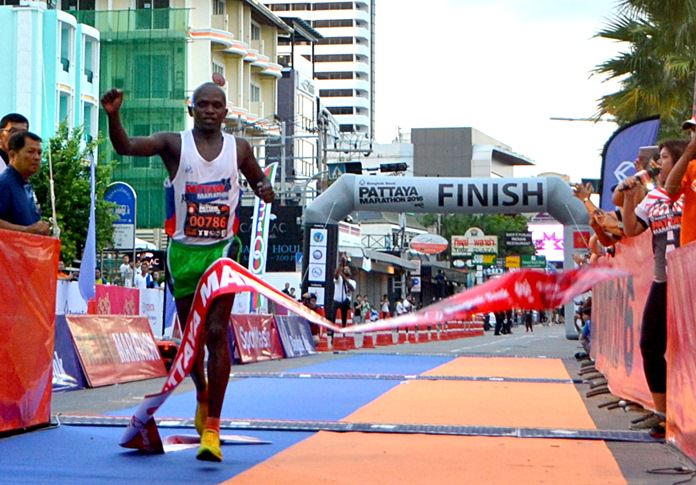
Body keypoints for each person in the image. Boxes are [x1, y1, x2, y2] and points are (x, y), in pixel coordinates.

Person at [101, 82, 274, 463]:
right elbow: (126, 147)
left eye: (217, 105)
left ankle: (212, 425)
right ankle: (201, 392)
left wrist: (264, 188)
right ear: (191, 109)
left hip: (222, 252)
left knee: (216, 331)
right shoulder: (174, 144)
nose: (210, 110)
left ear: (226, 112)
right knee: (192, 340)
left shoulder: (239, 148)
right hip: (183, 254)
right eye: (203, 104)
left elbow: (257, 177)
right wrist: (113, 117)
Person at [622, 139, 686, 439]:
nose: (660, 163)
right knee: (650, 342)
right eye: (659, 158)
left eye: (664, 157)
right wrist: (627, 199)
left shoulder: (690, 188)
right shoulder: (653, 198)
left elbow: (676, 187)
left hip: (690, 279)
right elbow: (632, 229)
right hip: (664, 280)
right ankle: (662, 413)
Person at [0, 131, 50, 235]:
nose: (37, 157)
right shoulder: (4, 184)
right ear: (12, 155)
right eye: (30, 152)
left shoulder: (26, 184)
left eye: (39, 153)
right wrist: (26, 230)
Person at [664, 124, 696, 246]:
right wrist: (688, 152)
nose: (694, 135)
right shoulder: (691, 166)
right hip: (691, 250)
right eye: (693, 130)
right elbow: (670, 190)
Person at [331, 260, 356, 326]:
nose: (346, 270)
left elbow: (352, 288)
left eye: (348, 269)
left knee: (345, 321)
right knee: (336, 320)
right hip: (337, 303)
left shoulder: (352, 281)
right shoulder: (339, 279)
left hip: (346, 303)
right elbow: (336, 274)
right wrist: (340, 264)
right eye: (345, 269)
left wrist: (343, 277)